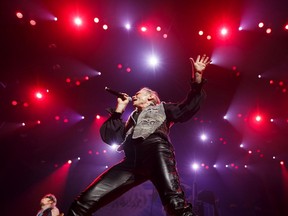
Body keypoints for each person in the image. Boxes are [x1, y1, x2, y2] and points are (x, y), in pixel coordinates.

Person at [66, 54, 211, 216]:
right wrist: (119, 109)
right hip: (130, 162)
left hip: (156, 153)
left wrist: (197, 78)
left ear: (150, 97)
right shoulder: (131, 119)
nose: (134, 95)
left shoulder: (163, 108)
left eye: (138, 93)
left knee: (175, 205)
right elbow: (112, 137)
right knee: (83, 203)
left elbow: (187, 108)